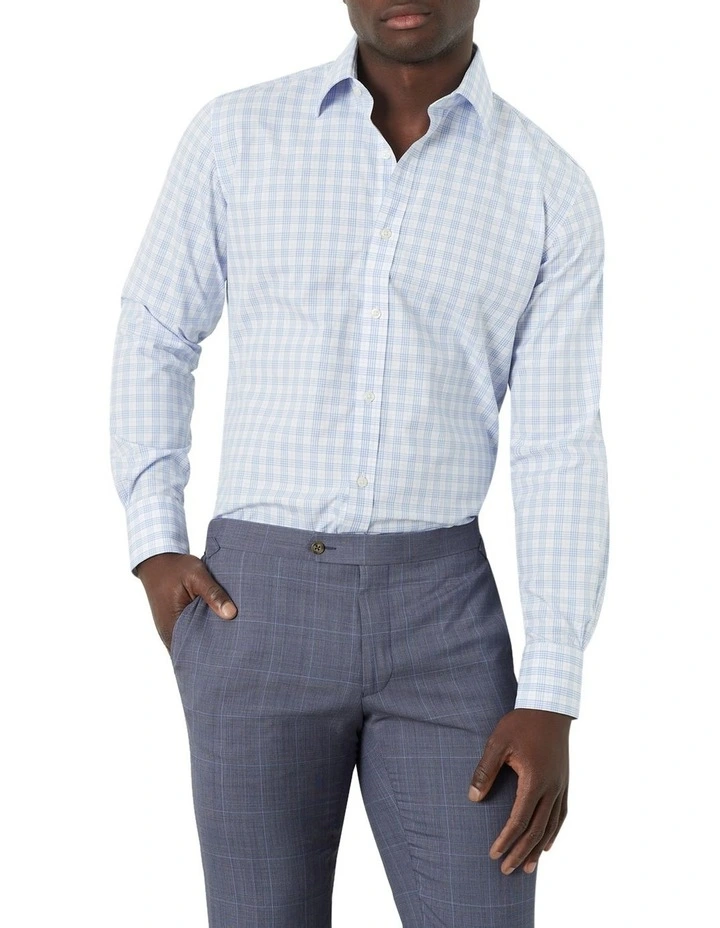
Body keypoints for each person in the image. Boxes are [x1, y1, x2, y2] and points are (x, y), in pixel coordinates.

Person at [109, 1, 609, 925]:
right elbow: (155, 330)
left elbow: (558, 444)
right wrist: (153, 542)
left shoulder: (548, 187)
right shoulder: (236, 136)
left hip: (445, 619)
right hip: (252, 605)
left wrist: (552, 690)